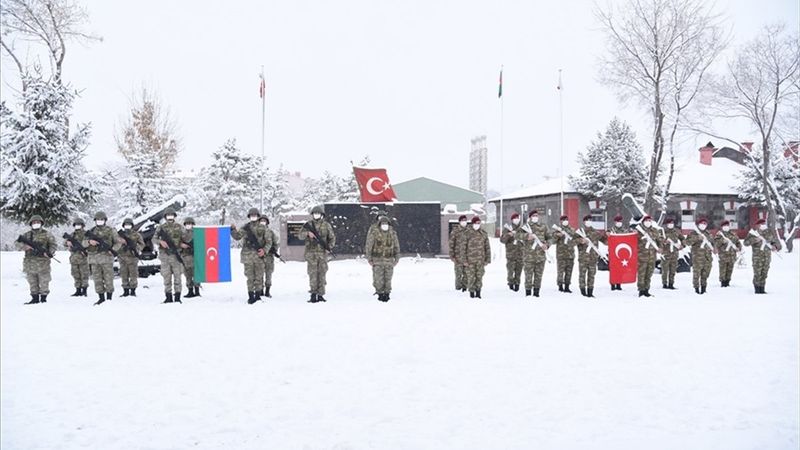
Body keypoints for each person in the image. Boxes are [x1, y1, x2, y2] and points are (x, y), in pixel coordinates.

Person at [231, 208, 271, 304]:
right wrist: (232, 229)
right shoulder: (245, 227)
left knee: (259, 277)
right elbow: (237, 237)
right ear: (249, 216)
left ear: (258, 216)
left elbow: (269, 242)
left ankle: (258, 296)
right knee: (250, 278)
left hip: (259, 257)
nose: (253, 217)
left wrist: (264, 251)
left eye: (255, 215)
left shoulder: (263, 228)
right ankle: (250, 296)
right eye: (251, 215)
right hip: (247, 256)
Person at [299, 205, 336, 303]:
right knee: (312, 274)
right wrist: (307, 234)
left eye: (318, 213)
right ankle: (313, 294)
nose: (316, 215)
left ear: (321, 214)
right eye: (315, 213)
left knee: (322, 274)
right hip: (311, 254)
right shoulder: (308, 225)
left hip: (322, 254)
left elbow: (332, 238)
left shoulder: (326, 225)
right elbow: (300, 236)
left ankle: (320, 295)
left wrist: (329, 247)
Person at [17, 215, 57, 304]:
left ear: (41, 223)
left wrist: (49, 252)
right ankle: (34, 298)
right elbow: (16, 243)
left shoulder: (47, 234)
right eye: (34, 222)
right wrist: (24, 246)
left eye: (38, 222)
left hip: (43, 263)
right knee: (32, 281)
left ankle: (43, 299)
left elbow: (53, 245)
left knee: (44, 281)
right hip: (30, 263)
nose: (36, 224)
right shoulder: (27, 235)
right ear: (31, 224)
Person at [153, 207, 186, 304]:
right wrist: (160, 242)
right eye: (168, 215)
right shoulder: (161, 227)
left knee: (177, 278)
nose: (170, 217)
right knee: (166, 278)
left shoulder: (180, 227)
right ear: (165, 217)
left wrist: (182, 244)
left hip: (176, 256)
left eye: (171, 215)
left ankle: (177, 297)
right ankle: (168, 297)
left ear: (174, 216)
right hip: (165, 256)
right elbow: (153, 239)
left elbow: (185, 238)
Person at [86, 211, 119, 305]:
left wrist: (113, 250)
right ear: (95, 220)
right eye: (98, 219)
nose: (100, 221)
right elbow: (83, 243)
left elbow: (118, 242)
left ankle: (109, 299)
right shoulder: (91, 231)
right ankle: (101, 298)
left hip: (107, 259)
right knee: (97, 280)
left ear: (105, 220)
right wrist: (89, 242)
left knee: (109, 279)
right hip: (94, 260)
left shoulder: (111, 230)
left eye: (101, 219)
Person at [365, 215, 400, 301]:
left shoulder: (392, 234)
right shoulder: (375, 233)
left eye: (386, 224)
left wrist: (397, 258)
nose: (385, 225)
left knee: (388, 278)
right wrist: (369, 258)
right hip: (377, 260)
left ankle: (387, 293)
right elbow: (369, 246)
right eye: (383, 224)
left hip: (389, 260)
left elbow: (396, 246)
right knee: (378, 278)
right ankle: (380, 293)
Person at [517, 210, 551, 297]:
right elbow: (516, 235)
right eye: (533, 215)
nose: (535, 217)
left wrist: (547, 245)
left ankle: (536, 293)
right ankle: (528, 294)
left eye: (536, 215)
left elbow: (550, 238)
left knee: (538, 276)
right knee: (528, 277)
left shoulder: (543, 226)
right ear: (530, 217)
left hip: (540, 257)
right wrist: (526, 236)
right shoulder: (525, 227)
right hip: (529, 257)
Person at [743, 218, 782, 294]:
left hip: (767, 257)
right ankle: (757, 289)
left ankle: (762, 288)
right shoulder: (753, 233)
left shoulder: (769, 232)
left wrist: (774, 246)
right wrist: (755, 240)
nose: (763, 225)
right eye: (762, 224)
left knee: (764, 273)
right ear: (757, 225)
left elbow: (773, 241)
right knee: (757, 273)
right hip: (757, 257)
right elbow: (745, 243)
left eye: (764, 224)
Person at [576, 215, 607, 298]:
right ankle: (583, 292)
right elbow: (571, 242)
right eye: (587, 220)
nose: (589, 221)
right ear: (584, 222)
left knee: (591, 276)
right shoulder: (580, 232)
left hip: (593, 258)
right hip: (583, 258)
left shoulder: (596, 232)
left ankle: (590, 292)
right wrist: (580, 240)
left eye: (590, 220)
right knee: (582, 275)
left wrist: (608, 235)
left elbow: (605, 241)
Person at [684, 218, 716, 295]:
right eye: (702, 223)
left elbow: (713, 243)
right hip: (697, 258)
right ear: (698, 224)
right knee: (696, 274)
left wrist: (715, 248)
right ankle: (696, 289)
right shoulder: (693, 233)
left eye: (705, 224)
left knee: (705, 274)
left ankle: (704, 289)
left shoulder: (708, 234)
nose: (703, 225)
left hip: (707, 257)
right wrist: (697, 238)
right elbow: (687, 242)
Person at [117, 217, 144, 297]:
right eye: (126, 224)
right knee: (123, 274)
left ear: (132, 225)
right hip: (122, 257)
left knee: (133, 274)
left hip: (133, 258)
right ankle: (125, 291)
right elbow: (115, 244)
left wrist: (136, 248)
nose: (127, 226)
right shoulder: (119, 235)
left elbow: (142, 244)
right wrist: (121, 243)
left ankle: (133, 291)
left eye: (129, 224)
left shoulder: (136, 234)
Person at [464, 216, 491, 298]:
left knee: (479, 277)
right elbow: (463, 248)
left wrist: (487, 259)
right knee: (471, 277)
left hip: (480, 260)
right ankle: (472, 293)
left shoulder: (483, 233)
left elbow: (487, 247)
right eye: (476, 223)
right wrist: (464, 260)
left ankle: (478, 292)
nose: (477, 224)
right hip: (470, 260)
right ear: (472, 223)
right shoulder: (467, 233)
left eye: (479, 223)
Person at [635, 215, 661, 298]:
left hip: (652, 256)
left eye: (649, 221)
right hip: (642, 256)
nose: (648, 222)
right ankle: (641, 290)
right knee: (641, 274)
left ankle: (646, 290)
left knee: (649, 274)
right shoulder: (639, 231)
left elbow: (659, 241)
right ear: (643, 222)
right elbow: (632, 240)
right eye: (646, 221)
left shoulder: (655, 230)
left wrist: (660, 248)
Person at [552, 214, 577, 293]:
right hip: (561, 255)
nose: (565, 221)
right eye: (564, 220)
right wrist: (557, 235)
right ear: (561, 221)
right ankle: (560, 286)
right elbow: (553, 241)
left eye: (566, 220)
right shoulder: (557, 230)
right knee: (560, 271)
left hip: (570, 254)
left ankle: (567, 286)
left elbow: (576, 240)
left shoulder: (572, 230)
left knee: (569, 272)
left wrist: (572, 241)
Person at [499, 212, 523, 292]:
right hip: (511, 254)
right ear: (512, 220)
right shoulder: (507, 229)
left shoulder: (522, 229)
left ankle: (517, 284)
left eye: (517, 218)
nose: (516, 220)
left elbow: (527, 239)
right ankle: (510, 283)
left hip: (520, 254)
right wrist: (508, 235)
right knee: (510, 271)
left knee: (518, 271)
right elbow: (502, 240)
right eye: (514, 218)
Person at [65, 218, 89, 297]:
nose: (77, 226)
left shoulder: (86, 234)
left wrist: (85, 250)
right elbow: (65, 243)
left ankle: (84, 290)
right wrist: (67, 242)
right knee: (76, 274)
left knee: (84, 275)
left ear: (82, 225)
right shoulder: (72, 234)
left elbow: (89, 244)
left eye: (79, 224)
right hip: (74, 258)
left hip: (83, 258)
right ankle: (78, 290)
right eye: (76, 225)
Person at [714, 220, 742, 288]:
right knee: (723, 269)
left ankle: (728, 282)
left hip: (732, 255)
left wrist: (739, 248)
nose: (726, 227)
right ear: (722, 227)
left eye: (727, 225)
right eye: (724, 225)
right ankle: (723, 283)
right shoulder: (719, 234)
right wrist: (722, 241)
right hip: (723, 255)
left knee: (730, 269)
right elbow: (715, 244)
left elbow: (738, 242)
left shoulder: (733, 234)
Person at [660, 218, 684, 290]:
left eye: (672, 223)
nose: (671, 224)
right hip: (665, 254)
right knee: (665, 270)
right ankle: (664, 284)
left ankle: (671, 284)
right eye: (669, 223)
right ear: (666, 224)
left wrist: (682, 245)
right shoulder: (663, 231)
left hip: (674, 253)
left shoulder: (676, 231)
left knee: (673, 270)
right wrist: (663, 241)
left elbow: (683, 239)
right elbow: (658, 239)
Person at [259, 214, 279, 298]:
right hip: (259, 256)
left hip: (269, 257)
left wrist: (274, 250)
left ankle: (267, 291)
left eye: (264, 221)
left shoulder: (270, 232)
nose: (263, 222)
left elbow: (276, 243)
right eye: (261, 221)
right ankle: (260, 291)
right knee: (259, 274)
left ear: (267, 222)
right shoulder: (256, 232)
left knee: (268, 274)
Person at [607, 215, 629, 291]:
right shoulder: (611, 230)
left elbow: (628, 239)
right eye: (618, 221)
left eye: (620, 221)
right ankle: (613, 284)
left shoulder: (625, 231)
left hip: (621, 253)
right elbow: (606, 240)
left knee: (620, 269)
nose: (619, 223)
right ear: (615, 222)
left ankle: (619, 284)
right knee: (613, 269)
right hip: (613, 253)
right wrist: (607, 235)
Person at [181, 217, 201, 298]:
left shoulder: (197, 233)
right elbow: (176, 242)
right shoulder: (182, 233)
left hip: (195, 256)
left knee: (196, 274)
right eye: (187, 223)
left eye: (190, 223)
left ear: (193, 224)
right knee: (187, 275)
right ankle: (190, 291)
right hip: (185, 257)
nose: (188, 225)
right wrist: (181, 244)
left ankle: (197, 291)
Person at [448, 215, 469, 292]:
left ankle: (465, 288)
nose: (464, 222)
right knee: (458, 274)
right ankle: (458, 289)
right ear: (459, 222)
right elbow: (451, 244)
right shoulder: (455, 231)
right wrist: (452, 256)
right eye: (462, 220)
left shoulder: (469, 231)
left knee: (466, 274)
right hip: (458, 257)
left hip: (467, 257)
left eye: (465, 220)